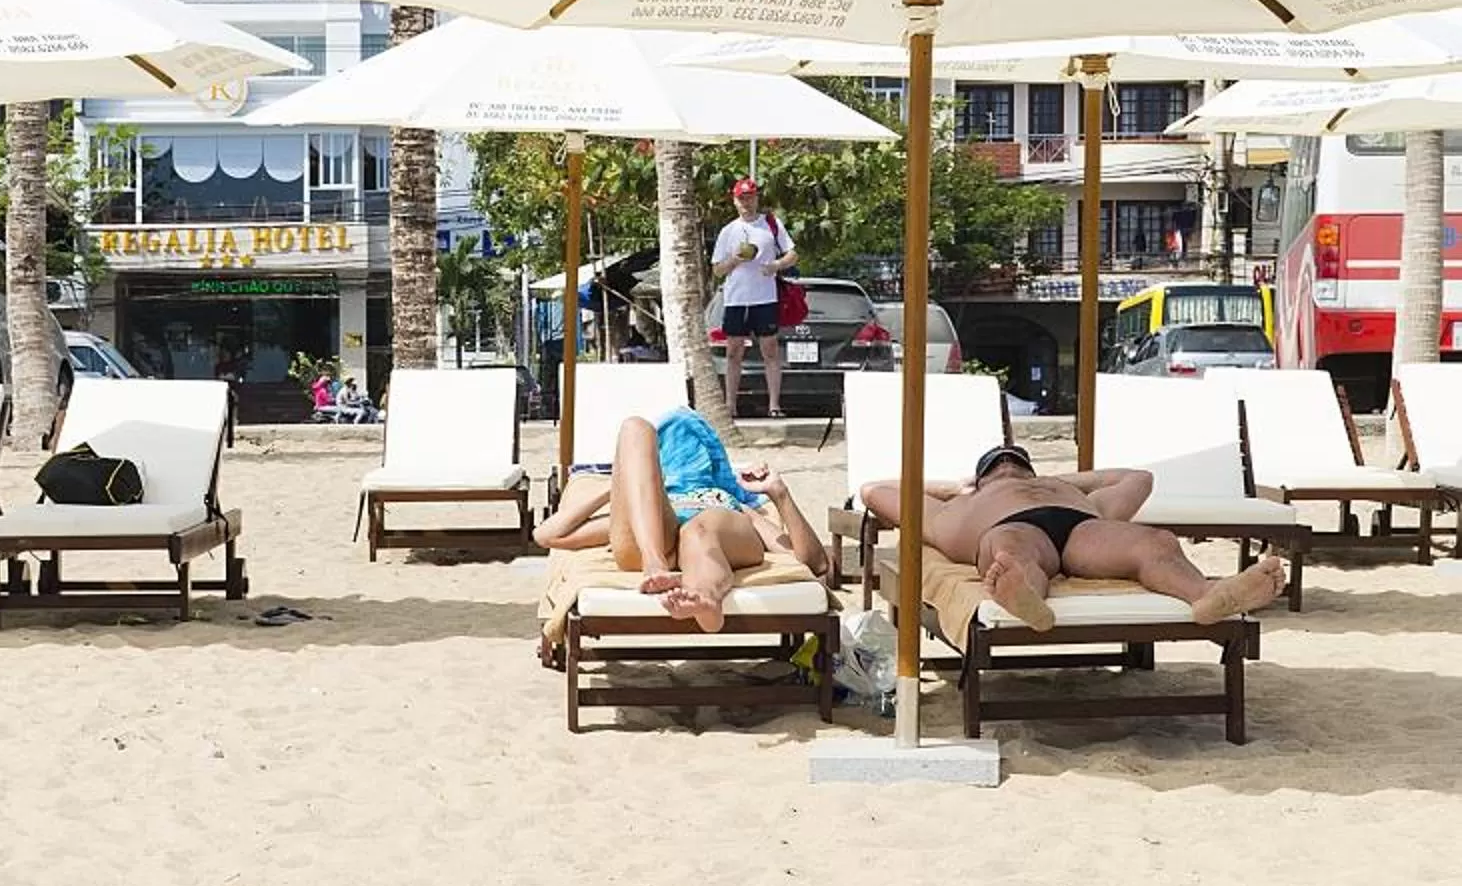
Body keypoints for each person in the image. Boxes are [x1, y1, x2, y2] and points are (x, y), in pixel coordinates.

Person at [860, 441, 1285, 633]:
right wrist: (956, 488)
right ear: (981, 476)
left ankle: (1204, 597)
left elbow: (1139, 478)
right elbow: (873, 491)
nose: (1008, 466)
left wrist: (1062, 480)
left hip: (1081, 525)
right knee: (1011, 552)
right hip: (1007, 526)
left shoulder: (1076, 493)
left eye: (1017, 462)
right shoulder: (956, 508)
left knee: (1154, 541)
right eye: (998, 464)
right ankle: (1026, 598)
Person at [536, 407, 830, 632]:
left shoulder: (735, 504)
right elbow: (547, 535)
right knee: (634, 427)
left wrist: (780, 495)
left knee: (697, 529)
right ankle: (655, 563)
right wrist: (618, 487)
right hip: (653, 542)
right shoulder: (646, 507)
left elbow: (813, 562)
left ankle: (705, 600)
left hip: (714, 530)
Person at [710, 174, 798, 422]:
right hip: (736, 298)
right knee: (733, 351)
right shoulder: (729, 231)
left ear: (756, 199)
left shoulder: (770, 224)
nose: (746, 203)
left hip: (765, 297)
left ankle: (774, 403)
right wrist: (735, 260)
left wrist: (776, 265)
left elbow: (792, 254)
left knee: (769, 349)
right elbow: (717, 269)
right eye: (741, 199)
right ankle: (730, 405)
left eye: (750, 198)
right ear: (735, 201)